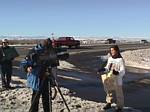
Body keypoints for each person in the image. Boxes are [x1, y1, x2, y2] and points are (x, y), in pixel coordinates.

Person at [24, 38, 58, 112]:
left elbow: (53, 63)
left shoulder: (50, 51)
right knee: (35, 98)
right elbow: (24, 63)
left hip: (46, 78)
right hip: (37, 78)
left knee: (47, 98)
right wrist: (27, 68)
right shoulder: (34, 52)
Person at [98, 45, 125, 112]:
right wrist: (103, 69)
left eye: (113, 50)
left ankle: (119, 107)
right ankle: (109, 103)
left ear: (117, 51)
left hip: (117, 79)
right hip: (109, 77)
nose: (111, 51)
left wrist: (118, 73)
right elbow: (107, 68)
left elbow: (123, 71)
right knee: (109, 91)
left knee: (119, 93)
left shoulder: (120, 60)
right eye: (111, 50)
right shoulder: (110, 59)